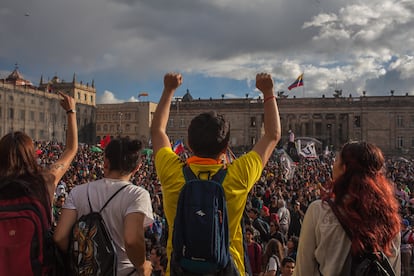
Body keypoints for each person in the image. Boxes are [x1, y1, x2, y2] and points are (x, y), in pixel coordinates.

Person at [151, 72, 281, 275]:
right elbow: (273, 135)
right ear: (225, 148)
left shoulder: (172, 172)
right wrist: (268, 91)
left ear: (188, 144)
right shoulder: (238, 175)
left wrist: (168, 90)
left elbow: (158, 131)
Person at [294, 141, 401, 275]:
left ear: (344, 168)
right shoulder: (389, 217)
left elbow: (303, 271)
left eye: (336, 161)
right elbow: (394, 270)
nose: (332, 166)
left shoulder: (319, 211)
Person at [54, 138, 154, 276]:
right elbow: (131, 240)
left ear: (106, 162)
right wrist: (143, 267)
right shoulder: (137, 195)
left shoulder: (78, 192)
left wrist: (81, 259)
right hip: (122, 272)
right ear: (137, 167)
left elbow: (59, 237)